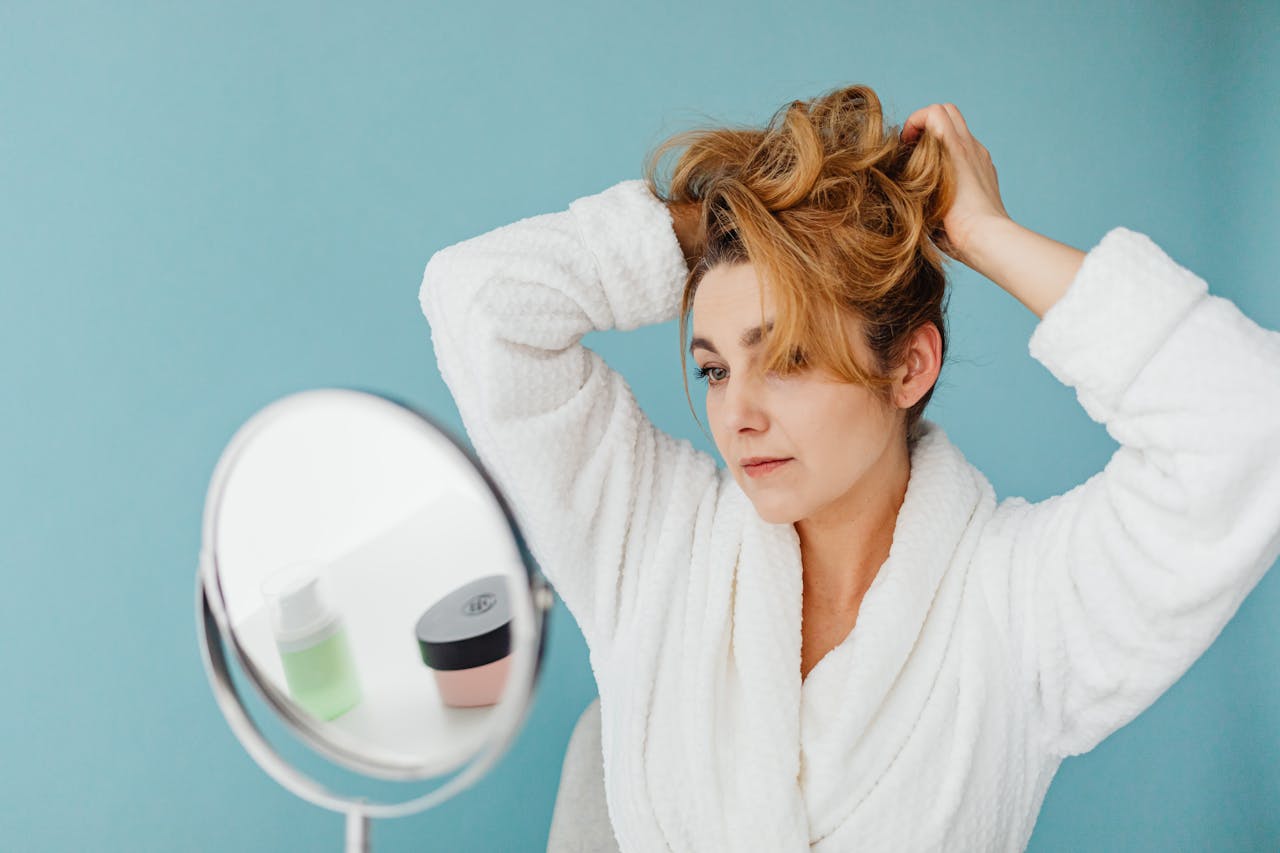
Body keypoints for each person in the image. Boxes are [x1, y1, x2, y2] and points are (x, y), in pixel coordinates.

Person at [418, 84, 1280, 851]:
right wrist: (733, 212)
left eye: (787, 356)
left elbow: (1250, 423)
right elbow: (479, 301)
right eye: (714, 368)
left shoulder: (1019, 611)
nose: (738, 413)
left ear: (910, 367)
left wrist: (982, 231)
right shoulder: (651, 548)